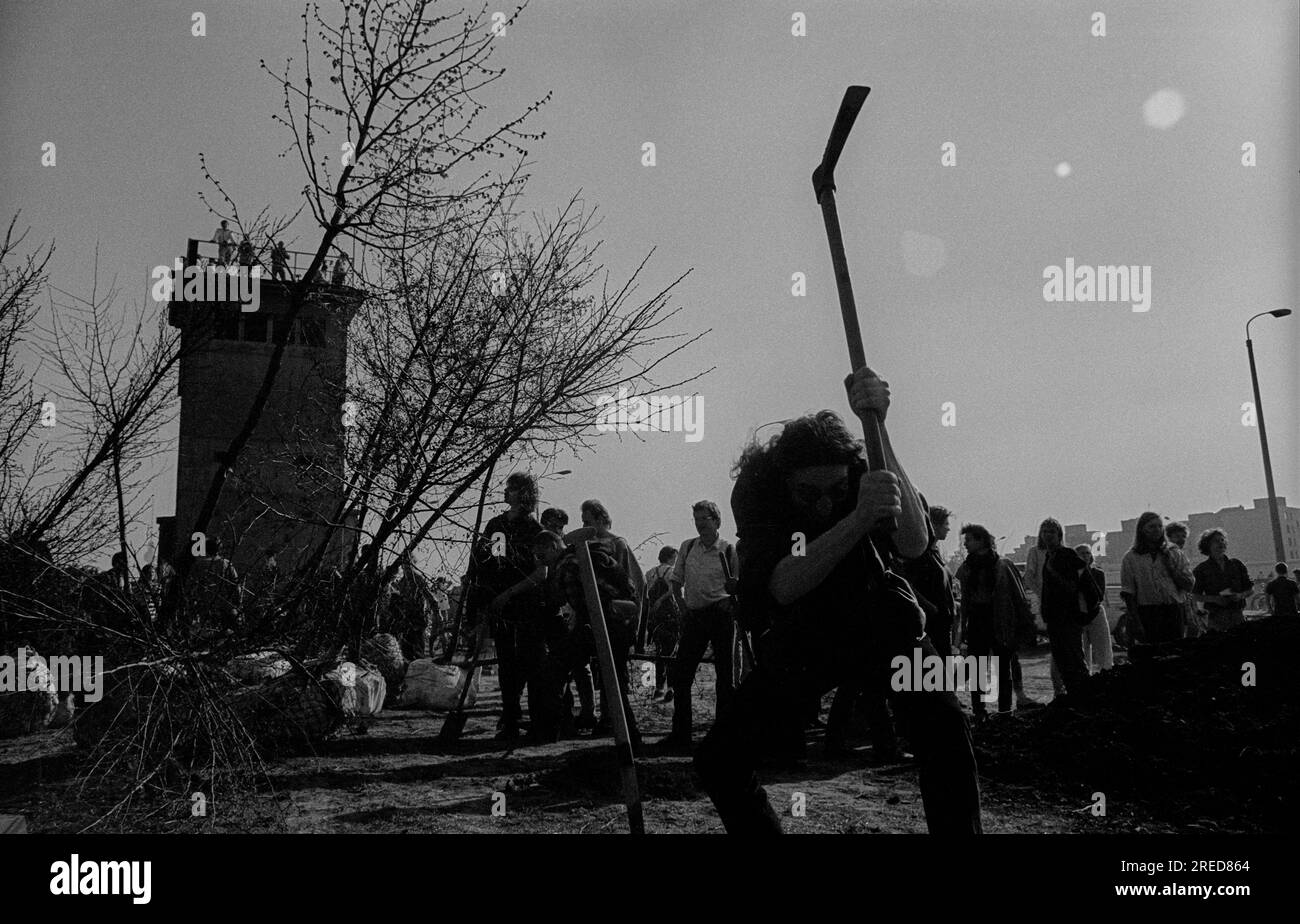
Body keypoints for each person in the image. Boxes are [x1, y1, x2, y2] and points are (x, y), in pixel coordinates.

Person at [694, 368, 982, 834]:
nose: (825, 503)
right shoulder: (758, 490)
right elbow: (785, 583)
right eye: (809, 493)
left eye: (836, 491)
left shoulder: (864, 470)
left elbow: (912, 542)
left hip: (881, 618)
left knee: (946, 733)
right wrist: (857, 517)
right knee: (720, 758)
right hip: (807, 631)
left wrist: (880, 428)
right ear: (785, 480)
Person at [659, 501, 740, 749]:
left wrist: (732, 596)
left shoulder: (727, 549)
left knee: (725, 679)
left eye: (704, 519)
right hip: (694, 618)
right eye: (696, 520)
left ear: (716, 521)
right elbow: (675, 582)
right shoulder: (688, 547)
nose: (700, 524)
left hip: (720, 617)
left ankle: (722, 737)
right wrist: (683, 608)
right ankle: (681, 734)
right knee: (681, 677)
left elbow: (737, 584)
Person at [472, 472, 545, 740]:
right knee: (506, 663)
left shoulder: (535, 530)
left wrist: (510, 592)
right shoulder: (496, 525)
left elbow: (541, 573)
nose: (506, 492)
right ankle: (510, 715)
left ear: (523, 494)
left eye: (511, 488)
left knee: (528, 662)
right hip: (500, 605)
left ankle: (527, 717)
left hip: (526, 605)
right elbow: (491, 562)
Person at [564, 499, 645, 736]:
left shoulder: (617, 544)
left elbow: (633, 581)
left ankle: (614, 721)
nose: (585, 526)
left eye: (588, 521)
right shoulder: (585, 547)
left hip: (616, 616)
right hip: (588, 615)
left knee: (614, 669)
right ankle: (586, 713)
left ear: (600, 519)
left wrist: (632, 617)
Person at [955, 525, 1031, 717]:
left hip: (1001, 621)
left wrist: (1023, 625)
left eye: (970, 539)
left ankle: (1005, 711)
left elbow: (1019, 597)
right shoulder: (966, 568)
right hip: (977, 622)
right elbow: (964, 600)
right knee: (977, 670)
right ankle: (980, 712)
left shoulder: (1003, 565)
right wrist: (962, 628)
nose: (966, 543)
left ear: (981, 540)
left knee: (1003, 670)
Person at [1035, 518, 1092, 700]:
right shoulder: (1048, 556)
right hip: (1054, 617)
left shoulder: (1066, 554)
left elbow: (1076, 583)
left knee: (1074, 656)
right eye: (1044, 531)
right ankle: (1072, 695)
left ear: (1059, 535)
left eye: (1051, 531)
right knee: (1062, 658)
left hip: (1068, 616)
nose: (1047, 535)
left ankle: (1083, 695)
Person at [1120, 512, 1194, 644]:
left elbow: (1189, 584)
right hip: (1148, 612)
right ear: (1142, 529)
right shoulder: (1131, 558)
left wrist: (1171, 569)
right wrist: (1135, 621)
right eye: (1152, 527)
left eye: (1160, 526)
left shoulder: (1174, 553)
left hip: (1173, 609)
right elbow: (1128, 593)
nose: (1157, 530)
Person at [901, 503, 957, 659]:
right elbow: (907, 584)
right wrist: (930, 607)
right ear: (934, 525)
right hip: (930, 626)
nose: (948, 529)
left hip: (943, 625)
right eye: (945, 524)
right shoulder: (919, 554)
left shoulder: (935, 553)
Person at [1190, 528, 1252, 633]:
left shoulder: (1236, 564)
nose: (1221, 543)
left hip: (1237, 615)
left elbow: (1250, 589)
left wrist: (1240, 596)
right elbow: (1195, 595)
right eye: (1216, 541)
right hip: (1216, 618)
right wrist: (1215, 599)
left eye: (1222, 540)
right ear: (1207, 545)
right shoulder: (1201, 569)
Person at [640, 546, 681, 700]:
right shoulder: (671, 571)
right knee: (671, 651)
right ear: (671, 557)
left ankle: (658, 689)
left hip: (655, 617)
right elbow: (674, 591)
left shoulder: (650, 573)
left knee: (659, 651)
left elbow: (646, 595)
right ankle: (670, 687)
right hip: (669, 615)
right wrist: (663, 600)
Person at [1075, 544, 1114, 674]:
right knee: (1082, 651)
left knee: (1103, 649)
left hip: (1095, 612)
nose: (1085, 556)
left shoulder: (1097, 573)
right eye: (1081, 553)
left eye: (1087, 553)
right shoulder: (1071, 575)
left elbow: (1099, 595)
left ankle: (1107, 672)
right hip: (1078, 615)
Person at [1165, 521, 1202, 637]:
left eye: (1183, 537)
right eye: (1177, 536)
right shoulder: (1170, 553)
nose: (1181, 540)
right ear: (1169, 537)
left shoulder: (1179, 554)